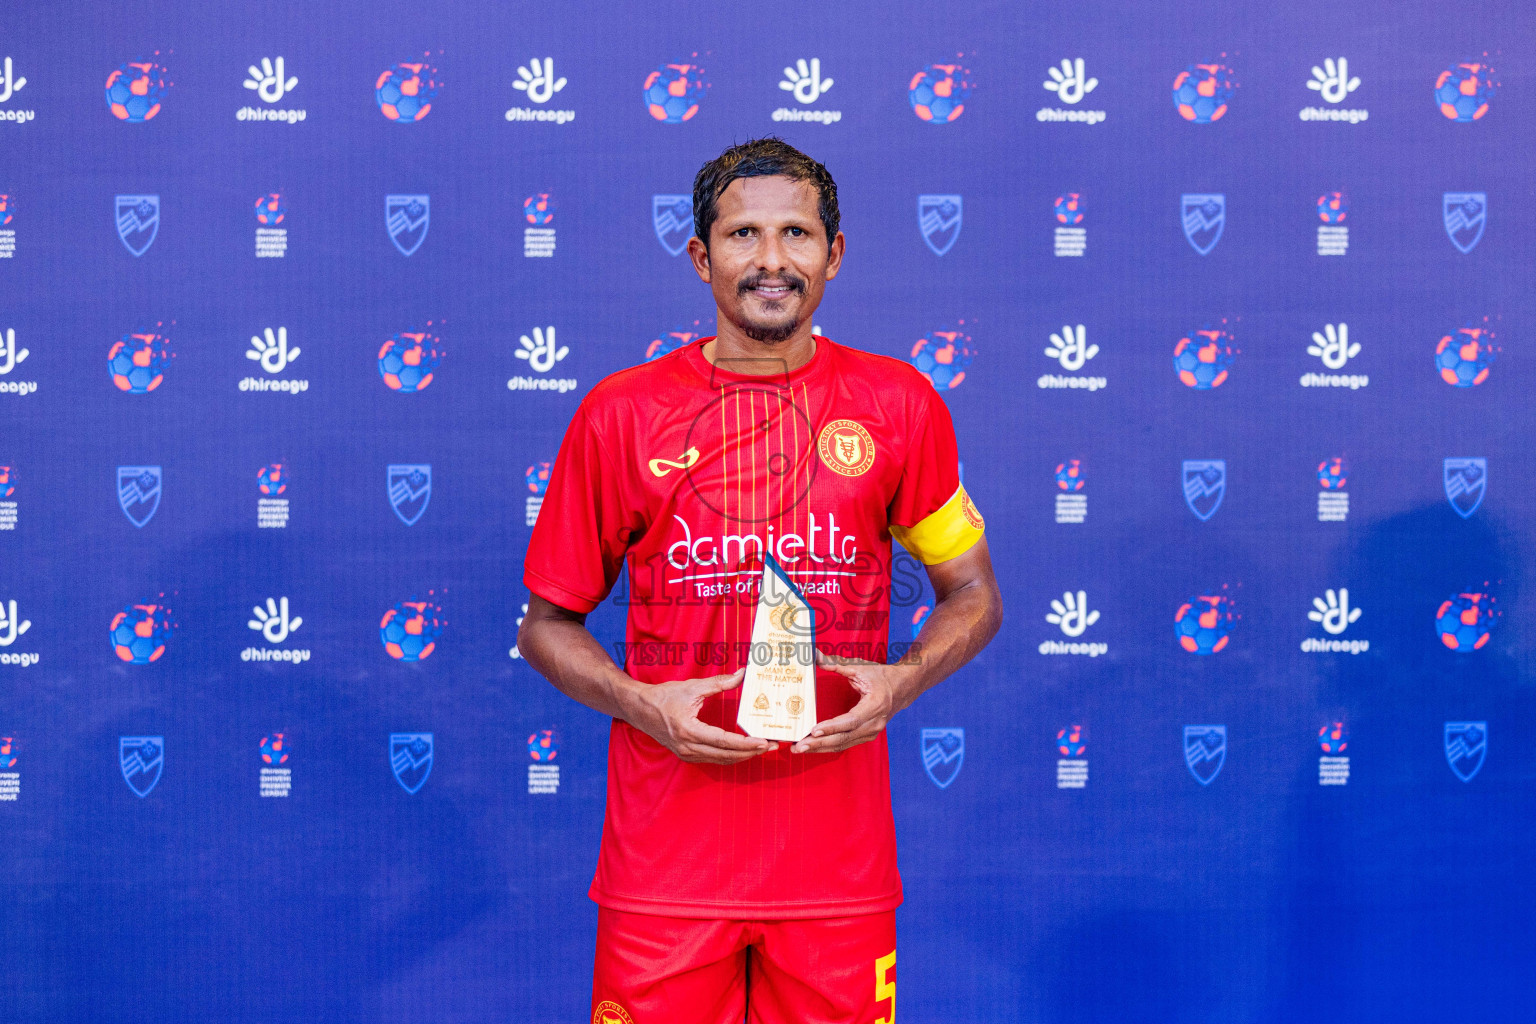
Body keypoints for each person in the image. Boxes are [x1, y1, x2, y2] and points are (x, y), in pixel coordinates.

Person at [518, 137, 1002, 1024]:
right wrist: (640, 702)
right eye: (743, 235)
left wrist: (902, 680)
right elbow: (545, 623)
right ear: (702, 256)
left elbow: (972, 591)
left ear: (835, 253)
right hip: (665, 868)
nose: (772, 260)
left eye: (797, 234)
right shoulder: (619, 414)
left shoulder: (901, 406)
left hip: (838, 873)